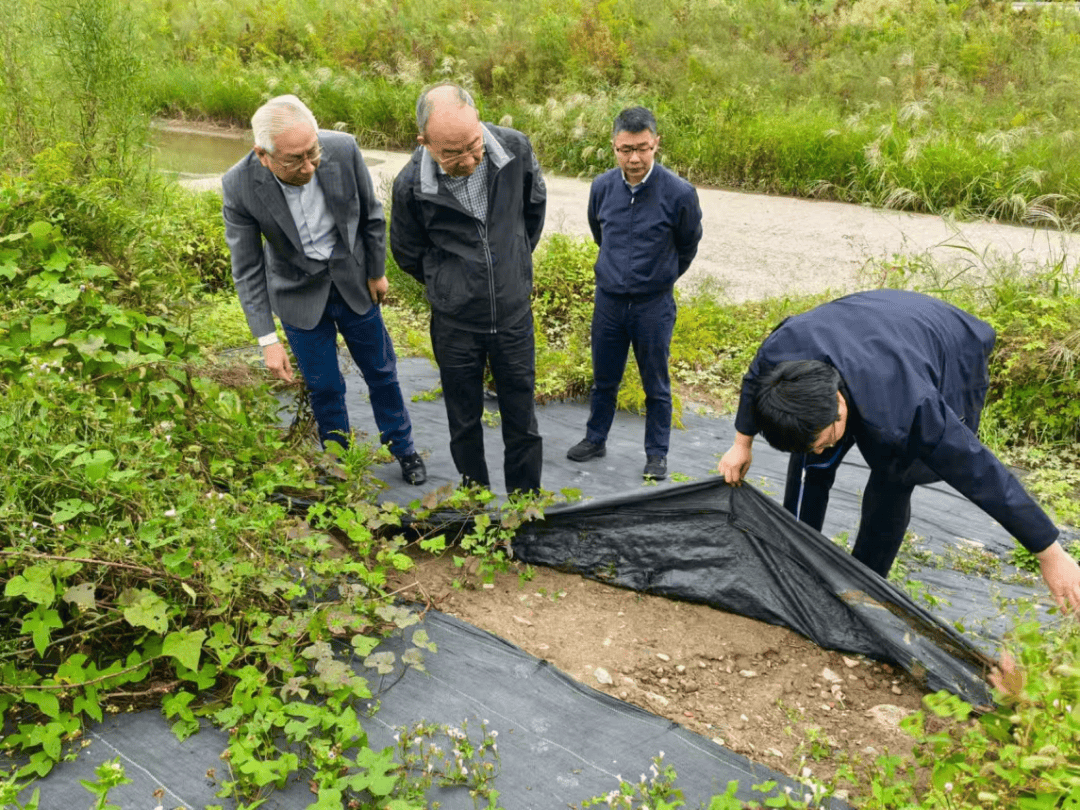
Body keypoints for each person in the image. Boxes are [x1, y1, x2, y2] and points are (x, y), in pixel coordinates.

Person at [717, 289, 1080, 616]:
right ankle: (795, 561)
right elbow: (755, 380)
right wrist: (741, 443)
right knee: (811, 462)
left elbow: (977, 469)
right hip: (867, 326)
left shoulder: (909, 410)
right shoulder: (781, 354)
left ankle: (865, 587)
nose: (824, 445)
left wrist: (1049, 552)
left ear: (839, 403)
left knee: (896, 473)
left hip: (950, 342)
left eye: (827, 437)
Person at [222, 94, 426, 485]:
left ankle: (403, 448)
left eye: (312, 152)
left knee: (382, 372)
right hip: (297, 295)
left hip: (353, 282)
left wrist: (376, 272)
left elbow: (371, 214)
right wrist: (267, 340)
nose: (309, 166)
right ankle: (338, 463)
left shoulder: (342, 149)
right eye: (295, 160)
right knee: (325, 386)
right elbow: (246, 269)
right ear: (263, 155)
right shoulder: (239, 185)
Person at [390, 82, 546, 495]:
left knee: (522, 418)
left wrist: (510, 264)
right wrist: (452, 285)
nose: (469, 160)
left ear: (480, 123)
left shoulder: (515, 149)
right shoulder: (410, 186)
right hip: (456, 325)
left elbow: (532, 211)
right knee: (463, 420)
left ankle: (525, 503)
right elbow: (407, 252)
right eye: (452, 153)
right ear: (425, 143)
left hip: (513, 316)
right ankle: (474, 501)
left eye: (473, 146)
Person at [566, 107, 703, 480]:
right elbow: (600, 233)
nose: (635, 158)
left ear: (656, 143)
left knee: (656, 385)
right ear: (614, 146)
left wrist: (659, 277)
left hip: (652, 305)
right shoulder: (602, 187)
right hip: (609, 302)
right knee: (603, 379)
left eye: (643, 148)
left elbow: (688, 244)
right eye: (626, 149)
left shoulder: (679, 193)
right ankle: (595, 439)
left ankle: (656, 454)